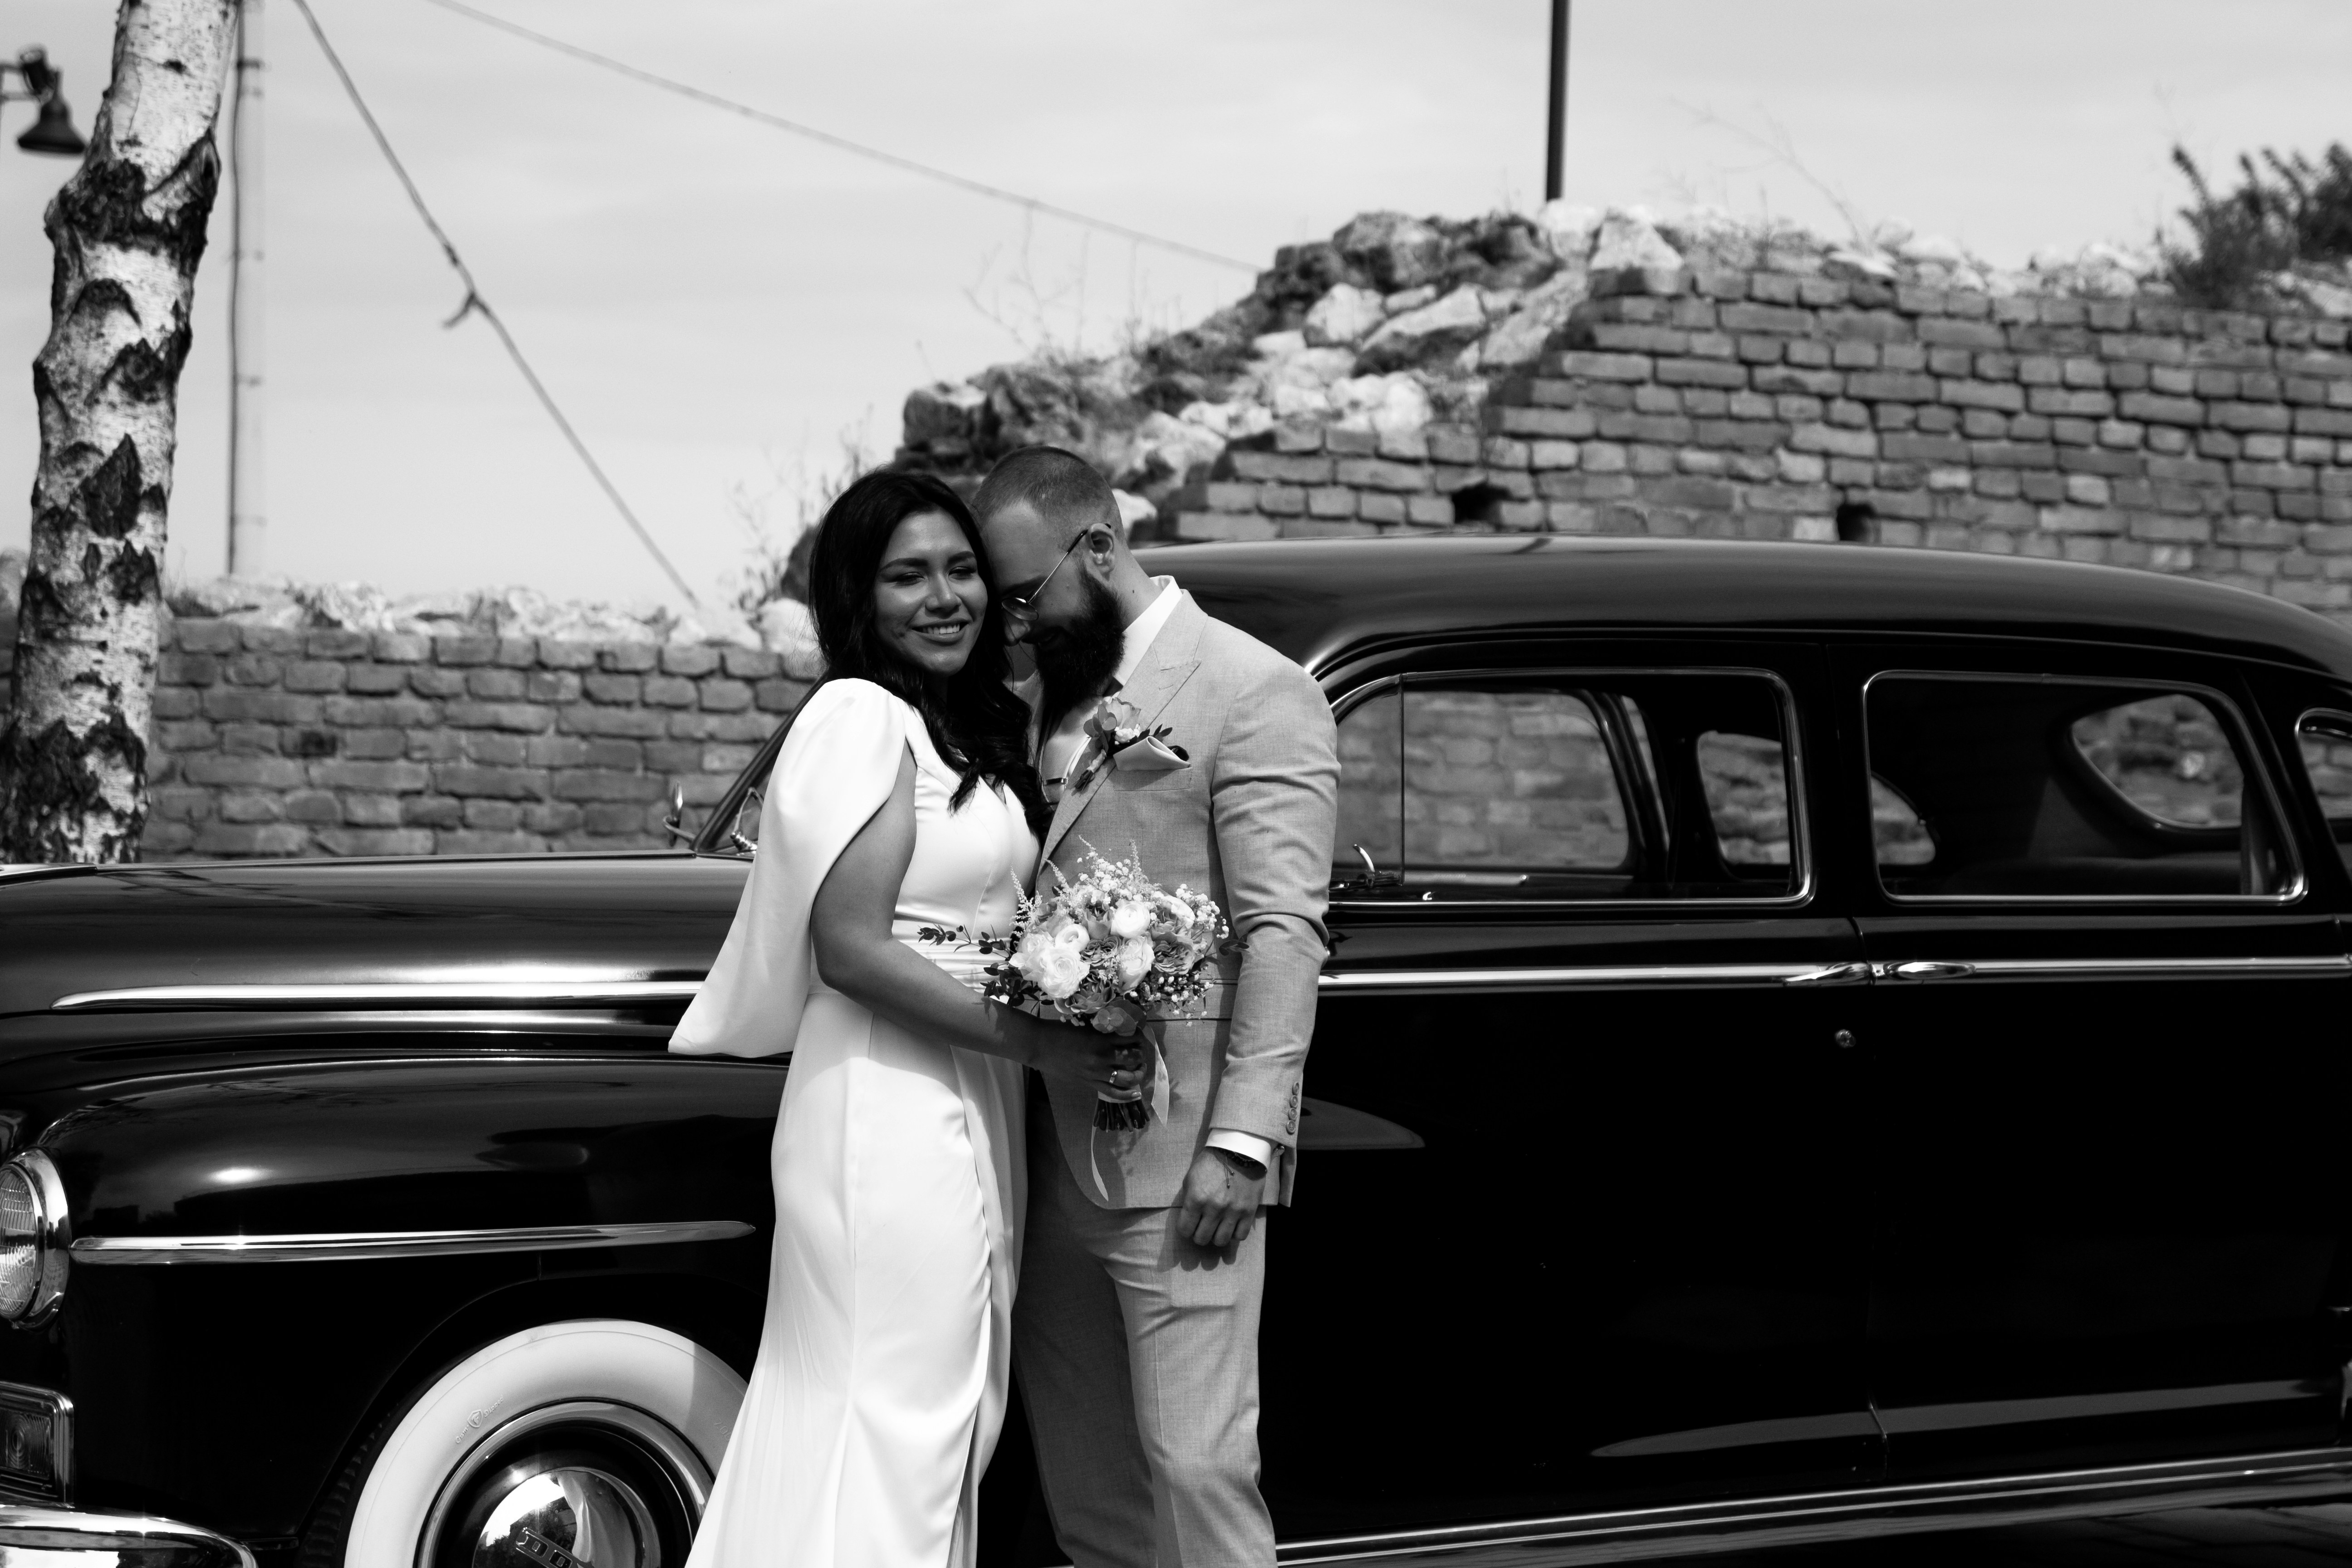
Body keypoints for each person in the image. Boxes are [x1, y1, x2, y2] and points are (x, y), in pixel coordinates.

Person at [671, 470, 1145, 1568]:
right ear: (858, 597)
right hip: (886, 1103)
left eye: (962, 569)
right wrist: (1039, 1041)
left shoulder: (966, 726)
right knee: (895, 1416)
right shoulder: (859, 714)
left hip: (966, 1090)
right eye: (906, 576)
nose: (946, 597)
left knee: (946, 1414)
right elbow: (851, 948)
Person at [975, 447, 1339, 1568]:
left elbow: (1284, 928)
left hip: (1182, 1161)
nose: (1019, 624)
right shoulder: (1034, 700)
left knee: (1198, 1469)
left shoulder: (1252, 687)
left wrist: (1244, 1140)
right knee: (1091, 1497)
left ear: (1100, 547)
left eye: (1029, 596)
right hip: (1039, 1157)